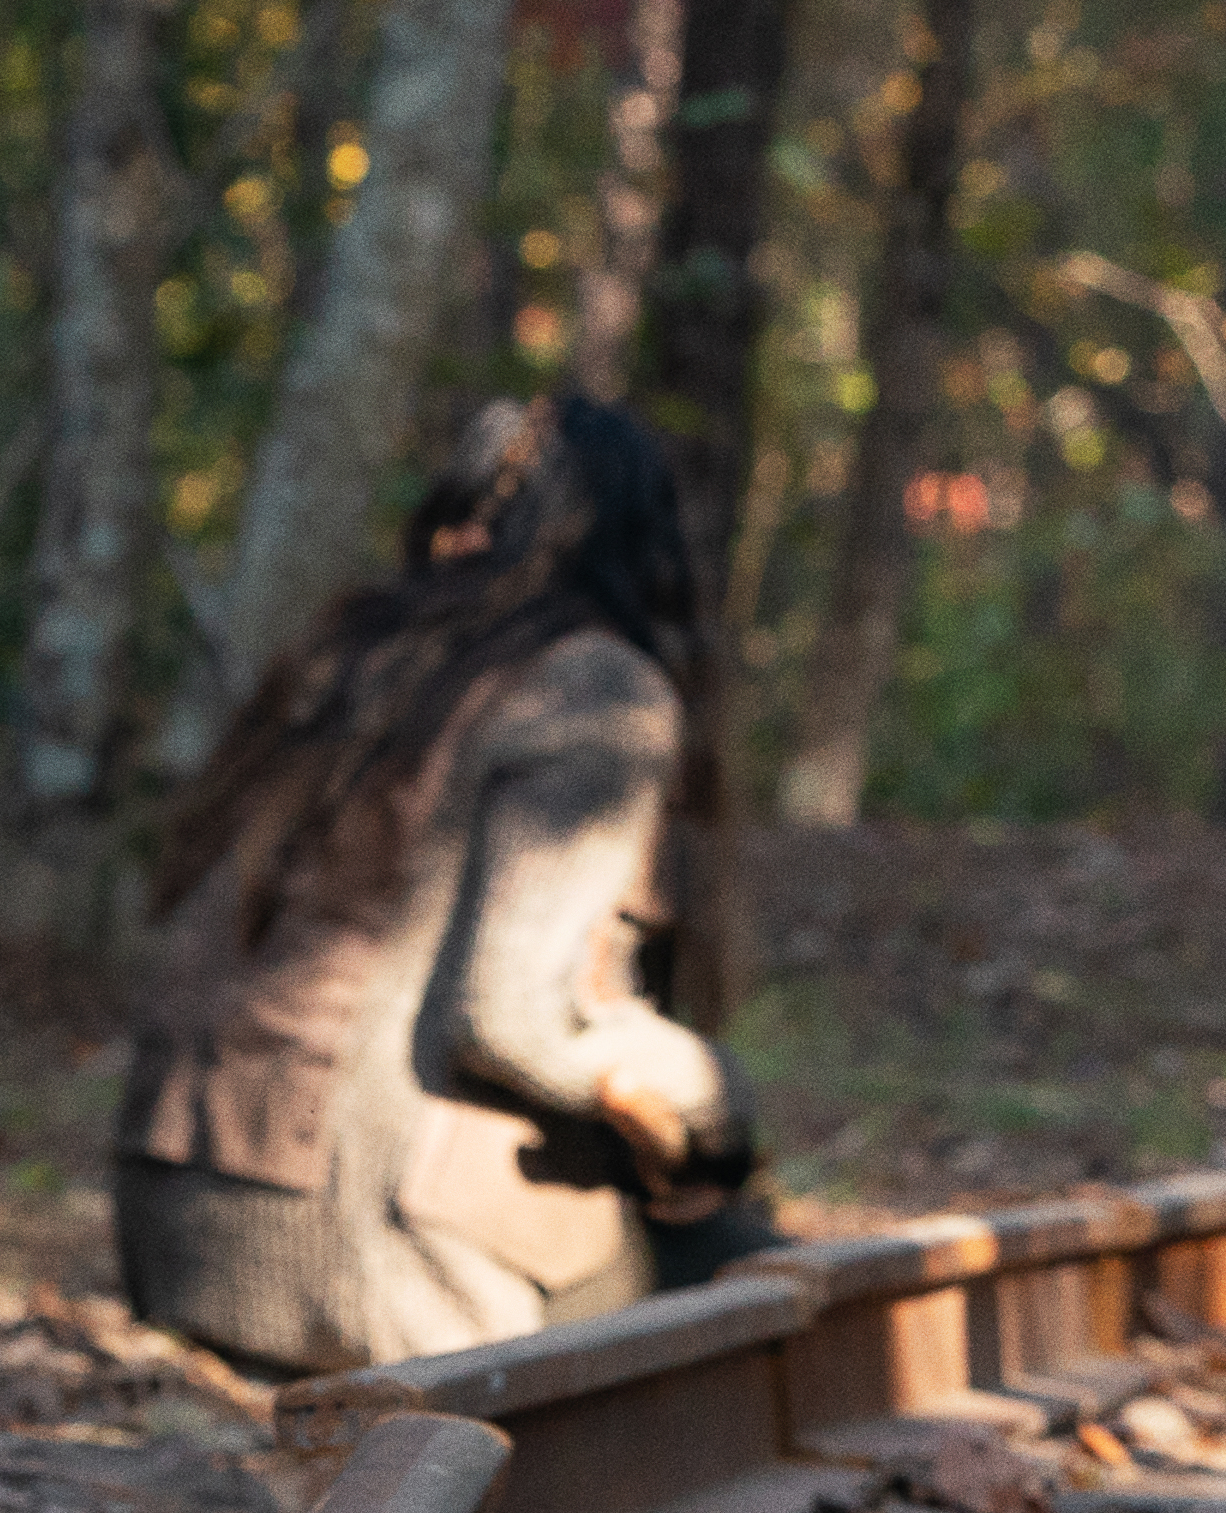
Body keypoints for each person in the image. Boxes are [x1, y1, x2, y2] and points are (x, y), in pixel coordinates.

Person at [114, 396, 762, 1379]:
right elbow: (510, 1020)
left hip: (176, 1199)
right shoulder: (597, 692)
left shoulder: (350, 654)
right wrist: (716, 1100)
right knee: (744, 1285)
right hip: (367, 1242)